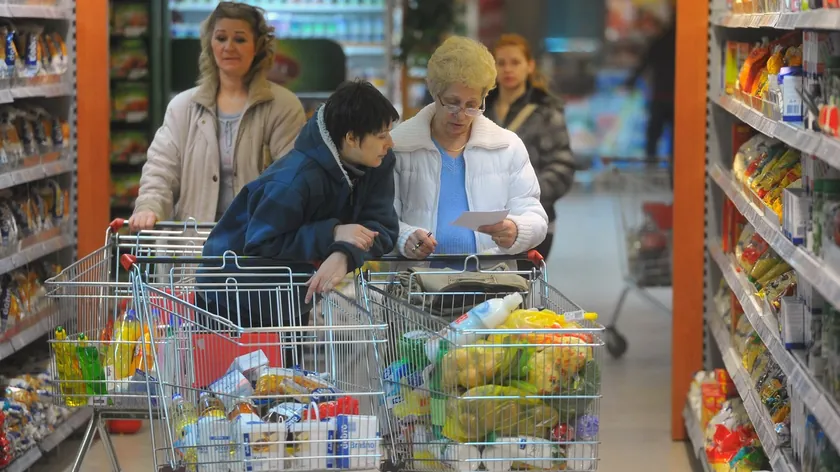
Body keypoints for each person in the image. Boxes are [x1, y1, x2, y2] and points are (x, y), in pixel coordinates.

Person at [196, 80, 400, 331]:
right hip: (229, 295)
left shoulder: (378, 162)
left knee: (288, 357)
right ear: (351, 138)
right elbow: (261, 242)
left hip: (290, 296)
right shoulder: (293, 180)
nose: (390, 143)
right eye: (381, 136)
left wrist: (345, 254)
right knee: (242, 359)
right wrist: (333, 233)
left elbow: (382, 228)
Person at [129, 1, 306, 232]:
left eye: (240, 39)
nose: (228, 47)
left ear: (258, 46)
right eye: (221, 38)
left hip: (257, 246)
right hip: (193, 246)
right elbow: (161, 169)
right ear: (210, 44)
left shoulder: (284, 107)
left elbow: (292, 178)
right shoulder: (182, 107)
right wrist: (149, 207)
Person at [391, 35, 548, 267]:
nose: (461, 114)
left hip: (491, 283)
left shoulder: (507, 146)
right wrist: (405, 236)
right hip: (418, 284)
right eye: (452, 103)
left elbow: (534, 215)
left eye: (472, 105)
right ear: (435, 93)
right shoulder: (399, 146)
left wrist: (516, 229)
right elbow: (380, 217)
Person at [485, 33, 575, 265]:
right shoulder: (479, 110)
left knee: (521, 283)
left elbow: (562, 166)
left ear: (530, 66)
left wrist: (526, 196)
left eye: (515, 62)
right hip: (486, 224)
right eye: (501, 63)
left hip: (532, 222)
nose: (508, 69)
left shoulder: (547, 112)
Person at [623, 6, 676, 185]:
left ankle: (650, 173)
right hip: (677, 99)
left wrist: (629, 82)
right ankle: (674, 177)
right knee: (675, 141)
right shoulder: (685, 44)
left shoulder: (659, 41)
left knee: (653, 138)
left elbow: (643, 64)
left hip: (659, 97)